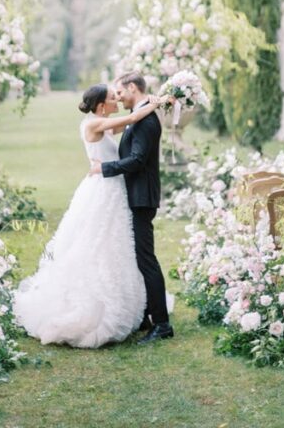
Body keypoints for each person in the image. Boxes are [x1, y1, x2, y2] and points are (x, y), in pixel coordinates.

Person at [13, 82, 165, 348]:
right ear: (100, 105)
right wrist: (154, 103)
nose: (116, 99)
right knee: (95, 244)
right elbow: (130, 119)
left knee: (120, 248)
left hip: (114, 189)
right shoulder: (92, 124)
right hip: (102, 188)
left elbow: (127, 126)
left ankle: (137, 308)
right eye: (111, 98)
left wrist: (148, 105)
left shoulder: (103, 122)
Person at [90, 71, 173, 344]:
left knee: (146, 259)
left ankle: (161, 324)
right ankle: (149, 313)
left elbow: (137, 160)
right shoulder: (138, 115)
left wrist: (105, 168)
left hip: (141, 197)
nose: (119, 96)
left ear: (132, 88)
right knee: (139, 258)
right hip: (136, 195)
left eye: (121, 91)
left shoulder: (146, 120)